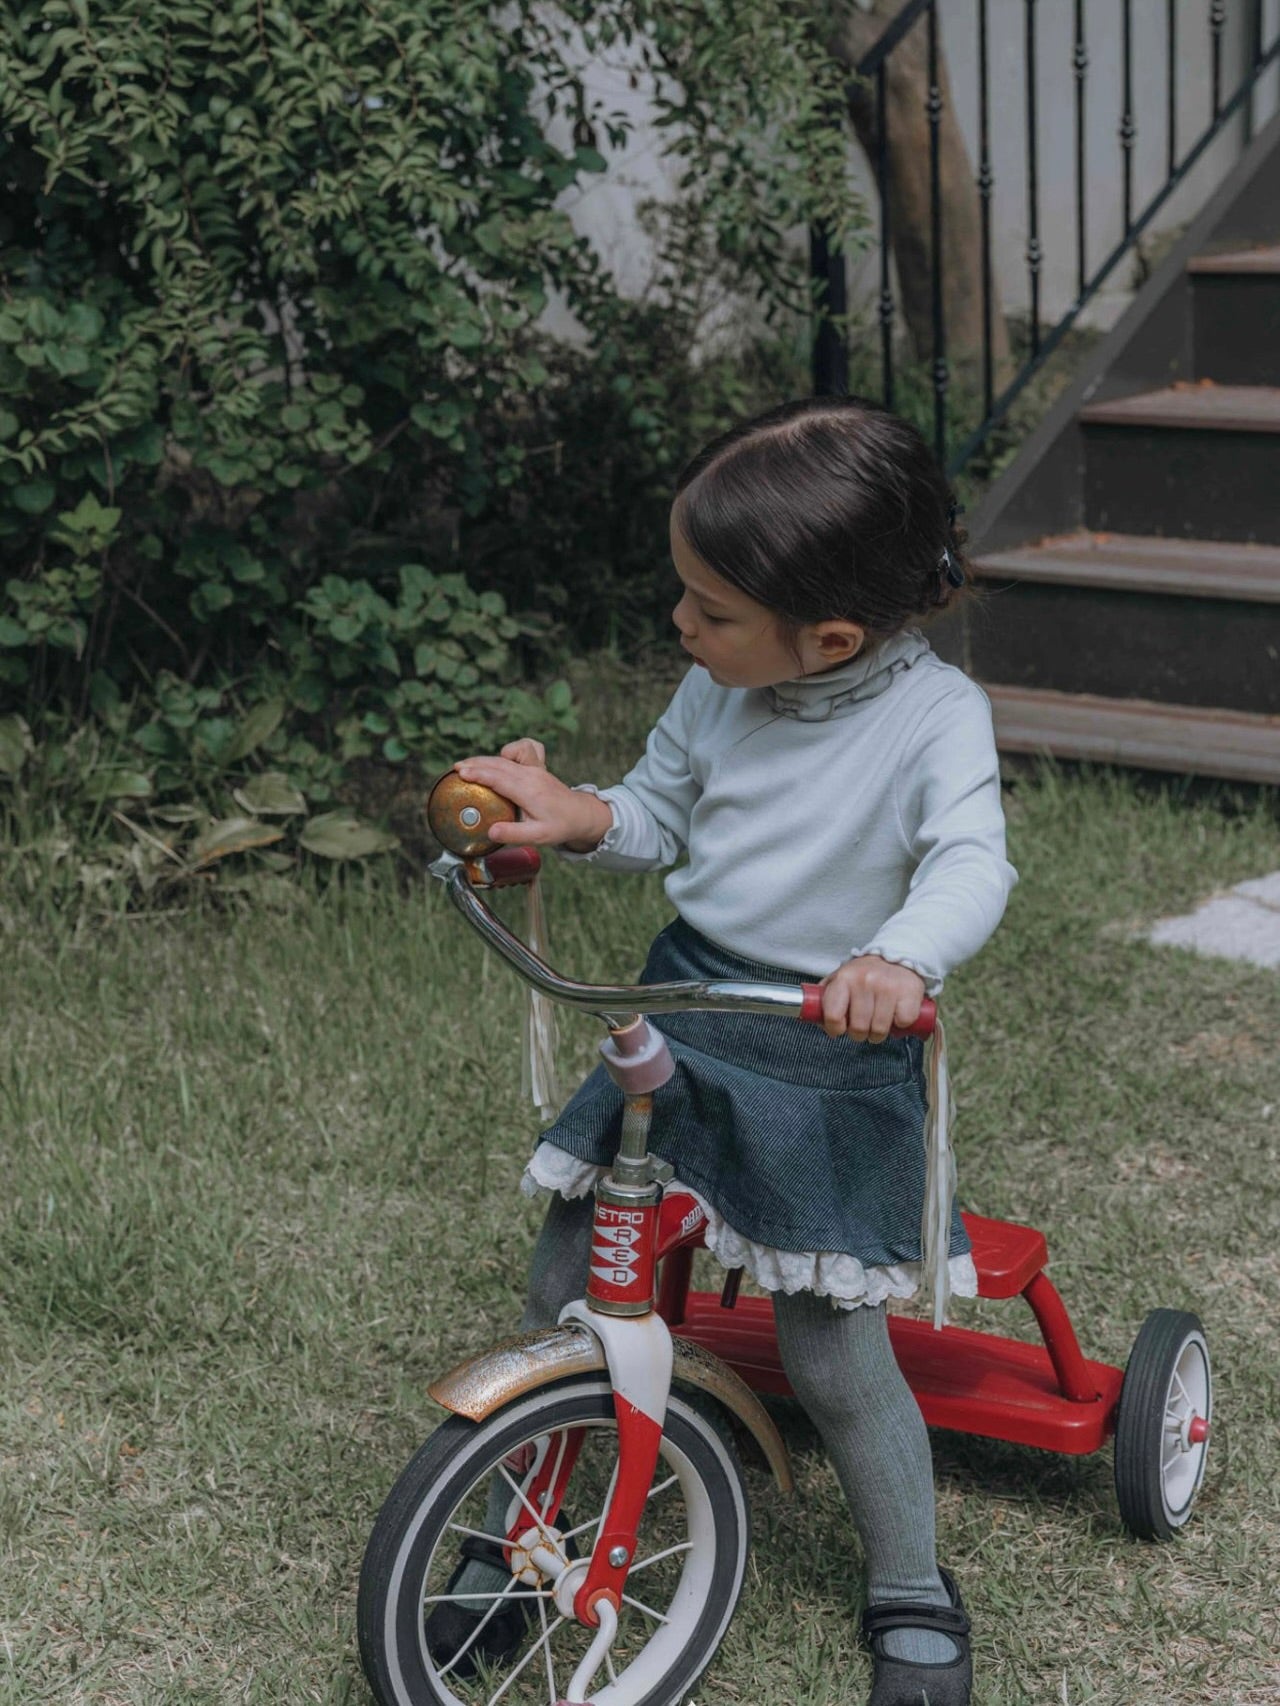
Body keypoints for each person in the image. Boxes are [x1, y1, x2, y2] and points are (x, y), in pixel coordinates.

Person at [433, 394, 1017, 1706]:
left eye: (709, 609)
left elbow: (971, 862)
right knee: (570, 1273)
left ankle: (912, 1579)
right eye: (685, 596)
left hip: (822, 1036)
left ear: (831, 637)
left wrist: (897, 961)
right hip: (695, 1011)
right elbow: (655, 814)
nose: (681, 628)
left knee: (826, 1347)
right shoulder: (718, 689)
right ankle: (525, 1525)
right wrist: (577, 814)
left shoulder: (935, 721)